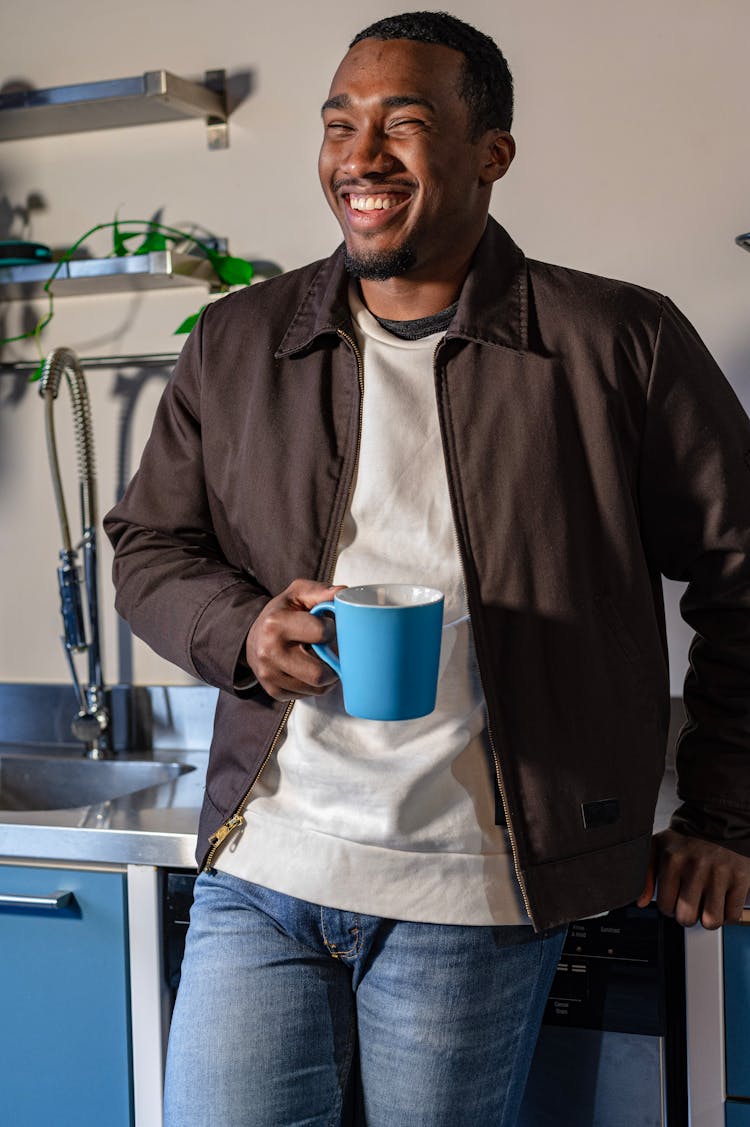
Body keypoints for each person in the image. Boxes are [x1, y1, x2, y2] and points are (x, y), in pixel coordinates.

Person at [104, 11, 750, 1126]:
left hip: (477, 889)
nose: (360, 157)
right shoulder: (237, 341)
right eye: (340, 125)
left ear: (490, 152)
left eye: (402, 125)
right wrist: (244, 628)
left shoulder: (618, 342)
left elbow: (743, 571)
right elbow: (152, 546)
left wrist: (725, 818)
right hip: (264, 868)